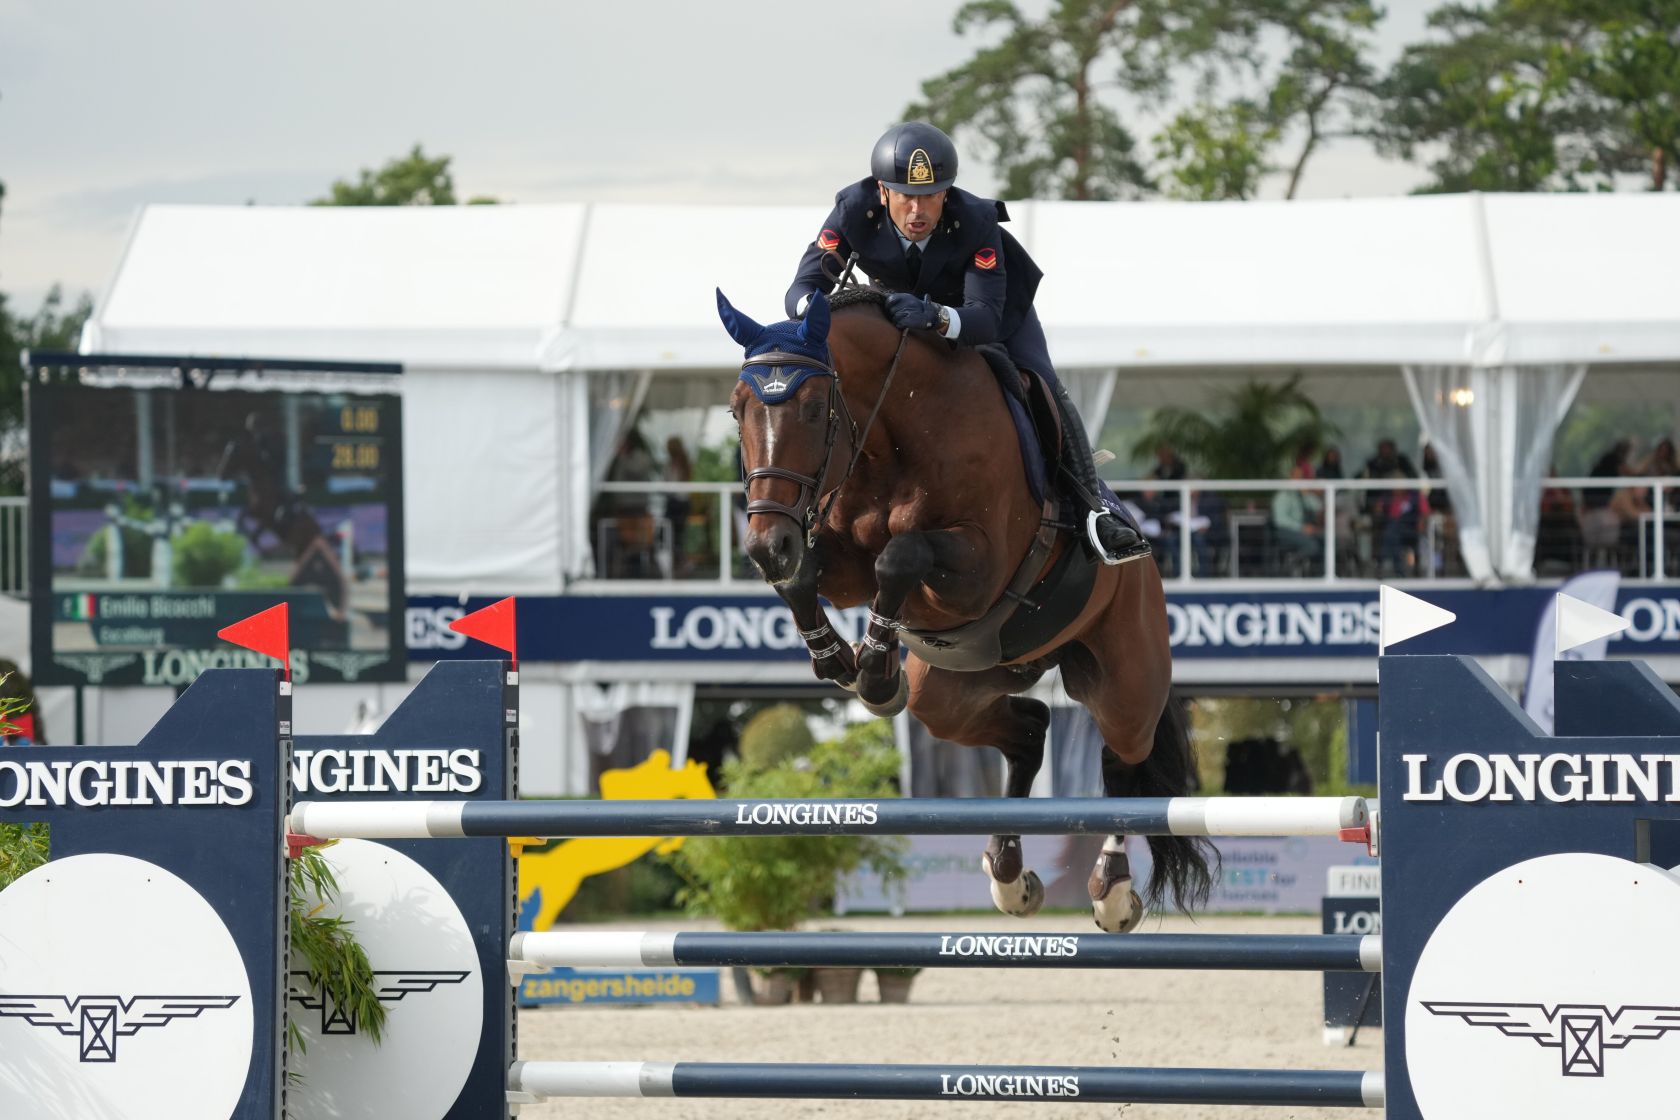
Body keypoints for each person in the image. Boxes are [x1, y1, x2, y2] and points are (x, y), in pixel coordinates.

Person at [785, 122, 1150, 566]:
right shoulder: (852, 210)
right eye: (905, 196)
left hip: (987, 315)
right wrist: (816, 313)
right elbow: (801, 290)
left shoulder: (975, 219)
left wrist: (937, 316)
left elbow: (984, 316)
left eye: (931, 195)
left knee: (1044, 384)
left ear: (947, 193)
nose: (918, 210)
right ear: (882, 192)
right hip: (894, 316)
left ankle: (1095, 510)